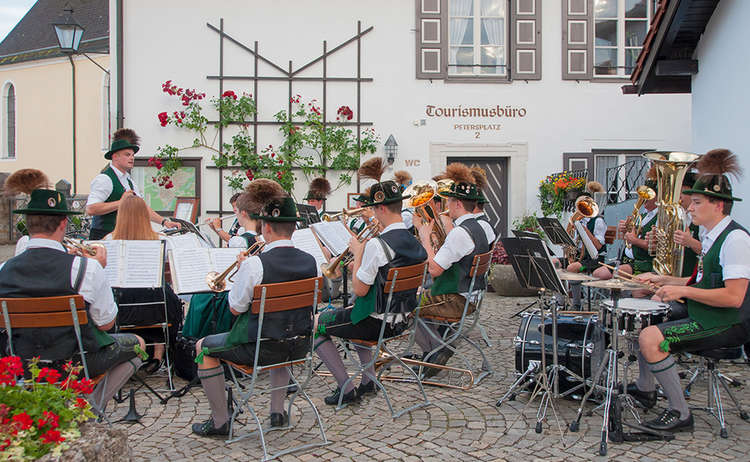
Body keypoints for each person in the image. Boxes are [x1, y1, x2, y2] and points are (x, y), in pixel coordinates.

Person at [0, 169, 145, 412]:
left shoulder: (4, 269)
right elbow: (107, 324)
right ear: (63, 223)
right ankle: (88, 410)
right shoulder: (84, 269)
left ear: (26, 223)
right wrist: (96, 270)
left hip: (21, 363)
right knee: (138, 345)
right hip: (75, 361)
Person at [629, 149, 750, 433]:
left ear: (718, 205)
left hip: (727, 322)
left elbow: (734, 298)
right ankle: (646, 389)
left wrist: (683, 292)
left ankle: (680, 414)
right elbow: (700, 282)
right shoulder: (712, 235)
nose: (690, 208)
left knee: (650, 337)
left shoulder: (735, 240)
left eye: (696, 202)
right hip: (708, 313)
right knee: (646, 316)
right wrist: (664, 280)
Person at [191, 195, 318, 436]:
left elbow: (235, 308)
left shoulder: (255, 265)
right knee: (279, 336)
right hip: (298, 346)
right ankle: (277, 412)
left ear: (266, 227)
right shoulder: (310, 262)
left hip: (259, 348)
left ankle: (220, 421)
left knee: (202, 347)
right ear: (293, 228)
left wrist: (241, 272)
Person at [314, 158, 427, 405]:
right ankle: (368, 381)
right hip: (402, 320)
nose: (374, 214)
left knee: (315, 325)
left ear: (382, 209)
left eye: (375, 210)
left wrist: (359, 252)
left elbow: (358, 288)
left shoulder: (377, 245)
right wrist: (362, 263)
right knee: (351, 313)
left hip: (376, 323)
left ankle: (345, 388)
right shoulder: (414, 241)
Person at [414, 163, 493, 374]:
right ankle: (433, 351)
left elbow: (434, 270)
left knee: (404, 305)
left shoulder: (460, 232)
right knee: (420, 299)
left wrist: (425, 239)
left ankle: (436, 351)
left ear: (457, 203)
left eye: (448, 200)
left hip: (457, 299)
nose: (446, 204)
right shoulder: (478, 228)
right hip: (472, 295)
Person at [109, 195, 184, 374]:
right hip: (157, 310)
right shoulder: (162, 240)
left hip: (123, 312)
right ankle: (158, 354)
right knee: (160, 299)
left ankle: (129, 354)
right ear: (145, 215)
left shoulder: (109, 240)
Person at [86, 128, 180, 240]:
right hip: (104, 239)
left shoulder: (129, 181)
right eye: (127, 155)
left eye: (132, 155)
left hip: (125, 238)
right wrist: (121, 202)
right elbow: (91, 209)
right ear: (115, 156)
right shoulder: (105, 179)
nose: (132, 158)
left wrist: (164, 222)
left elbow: (142, 208)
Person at [618, 170, 658, 276]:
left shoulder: (659, 217)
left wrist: (634, 240)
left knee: (611, 273)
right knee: (602, 272)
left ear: (658, 197)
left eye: (648, 196)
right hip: (627, 260)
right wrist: (625, 231)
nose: (643, 199)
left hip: (644, 264)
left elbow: (655, 248)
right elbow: (627, 239)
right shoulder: (643, 215)